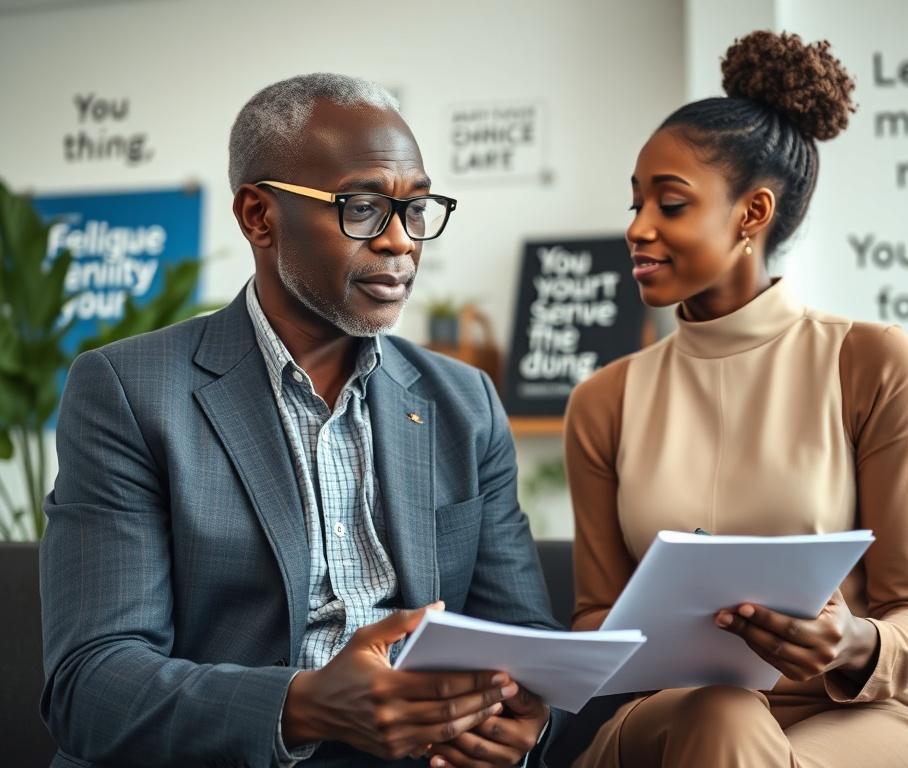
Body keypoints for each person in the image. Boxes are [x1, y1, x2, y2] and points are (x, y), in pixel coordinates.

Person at [40, 73, 561, 768]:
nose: (402, 242)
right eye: (364, 207)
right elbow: (92, 685)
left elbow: (523, 639)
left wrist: (523, 726)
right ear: (259, 216)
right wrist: (306, 705)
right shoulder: (130, 393)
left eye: (416, 208)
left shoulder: (464, 403)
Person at [564, 31, 908, 767]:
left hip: (860, 711)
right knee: (722, 716)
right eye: (635, 203)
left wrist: (854, 640)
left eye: (669, 203)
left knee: (735, 735)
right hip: (673, 720)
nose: (637, 228)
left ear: (752, 214)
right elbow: (597, 612)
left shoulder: (870, 363)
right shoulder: (603, 402)